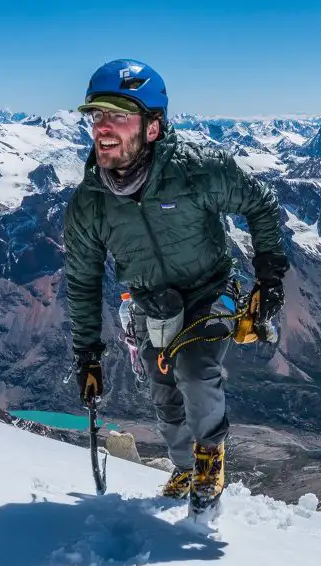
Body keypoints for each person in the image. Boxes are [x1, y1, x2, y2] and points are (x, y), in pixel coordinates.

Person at [62, 58, 288, 516]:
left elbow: (260, 204)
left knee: (195, 369)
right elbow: (83, 281)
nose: (103, 128)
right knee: (163, 391)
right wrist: (88, 355)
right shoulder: (90, 204)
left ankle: (209, 462)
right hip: (152, 303)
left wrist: (269, 276)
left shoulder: (197, 170)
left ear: (152, 126)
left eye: (118, 116)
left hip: (211, 289)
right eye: (96, 116)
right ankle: (184, 466)